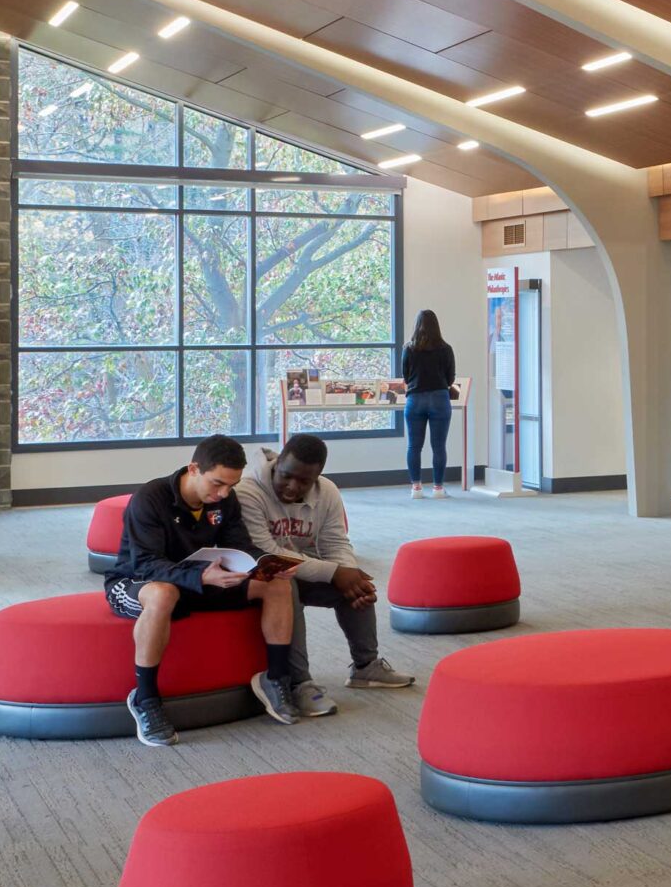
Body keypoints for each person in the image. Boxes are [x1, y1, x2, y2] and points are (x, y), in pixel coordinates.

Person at [103, 434, 304, 746]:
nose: (223, 493)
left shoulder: (225, 500)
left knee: (277, 584)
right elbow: (145, 564)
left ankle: (276, 677)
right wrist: (200, 576)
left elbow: (239, 545)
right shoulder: (150, 498)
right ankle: (145, 697)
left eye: (231, 486)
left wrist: (266, 564)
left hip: (201, 579)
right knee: (163, 593)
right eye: (217, 483)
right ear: (194, 469)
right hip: (136, 582)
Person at [238, 433, 415, 718]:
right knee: (286, 583)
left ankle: (366, 666)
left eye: (304, 481)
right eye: (286, 476)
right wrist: (333, 572)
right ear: (277, 462)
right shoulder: (248, 491)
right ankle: (300, 683)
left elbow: (336, 542)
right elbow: (268, 553)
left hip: (303, 567)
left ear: (317, 477)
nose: (293, 486)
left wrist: (348, 574)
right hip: (264, 574)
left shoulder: (327, 491)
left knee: (356, 583)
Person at [396, 309, 456, 498]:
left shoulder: (408, 348)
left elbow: (406, 376)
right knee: (439, 446)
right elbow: (450, 378)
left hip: (415, 399)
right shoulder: (446, 349)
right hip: (440, 398)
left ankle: (416, 488)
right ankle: (438, 488)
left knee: (414, 446)